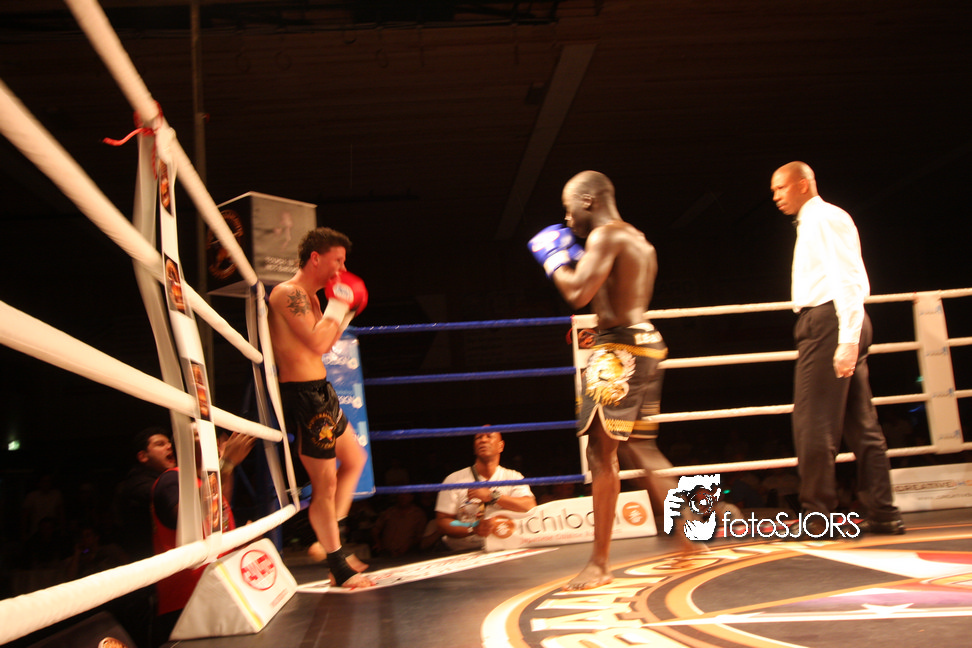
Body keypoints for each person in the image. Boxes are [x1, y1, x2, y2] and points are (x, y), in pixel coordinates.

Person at [529, 170, 696, 591]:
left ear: (588, 200)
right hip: (647, 341)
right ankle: (691, 536)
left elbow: (578, 294)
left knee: (601, 457)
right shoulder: (637, 239)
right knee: (642, 448)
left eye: (569, 209)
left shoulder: (605, 236)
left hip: (619, 350)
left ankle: (599, 564)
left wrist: (553, 258)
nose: (567, 220)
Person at [770, 161, 904, 536]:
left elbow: (847, 279)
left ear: (802, 184)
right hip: (837, 321)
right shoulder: (818, 220)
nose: (776, 196)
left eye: (781, 188)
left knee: (813, 423)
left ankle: (818, 517)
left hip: (831, 322)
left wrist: (846, 339)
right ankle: (883, 512)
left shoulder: (822, 218)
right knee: (861, 424)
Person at [267, 227, 374, 589]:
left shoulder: (312, 298)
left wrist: (345, 312)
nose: (341, 270)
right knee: (324, 484)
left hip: (322, 392)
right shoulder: (287, 293)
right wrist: (340, 305)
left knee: (355, 459)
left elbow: (326, 344)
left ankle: (329, 539)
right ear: (316, 258)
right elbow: (315, 342)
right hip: (305, 397)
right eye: (337, 261)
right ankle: (337, 566)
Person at [434, 431, 536, 552]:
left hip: (503, 548)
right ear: (474, 448)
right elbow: (442, 522)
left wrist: (493, 496)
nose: (483, 440)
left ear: (501, 446)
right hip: (462, 551)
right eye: (479, 437)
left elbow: (529, 506)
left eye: (489, 436)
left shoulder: (513, 477)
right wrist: (472, 528)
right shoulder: (454, 480)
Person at [113, 427, 177, 561]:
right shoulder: (137, 483)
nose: (169, 447)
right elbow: (166, 495)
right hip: (151, 561)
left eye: (169, 443)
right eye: (160, 444)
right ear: (143, 456)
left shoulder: (170, 477)